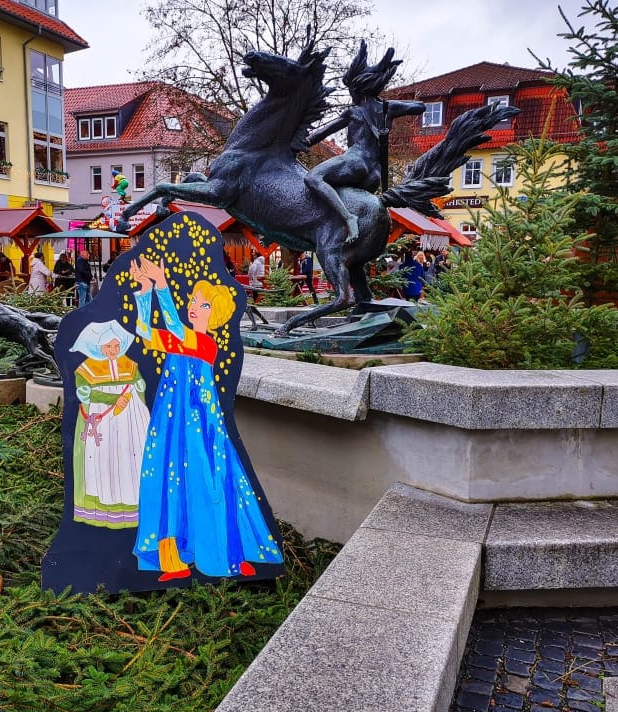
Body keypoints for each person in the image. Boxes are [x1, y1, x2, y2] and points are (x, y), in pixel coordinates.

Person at [128, 255, 283, 581]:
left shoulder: (204, 343)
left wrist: (162, 285)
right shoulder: (180, 339)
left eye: (205, 305)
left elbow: (173, 327)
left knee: (214, 480)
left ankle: (230, 552)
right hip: (171, 422)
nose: (195, 307)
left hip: (201, 423)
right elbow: (144, 332)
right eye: (195, 301)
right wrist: (144, 292)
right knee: (169, 484)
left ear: (216, 315)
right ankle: (173, 560)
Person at [303, 41, 424, 244]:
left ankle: (348, 218)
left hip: (356, 162)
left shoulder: (353, 112)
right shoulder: (387, 108)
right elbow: (419, 106)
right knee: (337, 193)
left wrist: (297, 143)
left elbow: (320, 134)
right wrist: (390, 107)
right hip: (373, 175)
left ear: (357, 89)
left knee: (313, 179)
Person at [69, 320, 150, 529]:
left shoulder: (130, 364)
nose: (113, 350)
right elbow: (84, 394)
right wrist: (111, 399)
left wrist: (133, 392)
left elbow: (140, 385)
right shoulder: (86, 368)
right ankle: (106, 503)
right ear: (99, 347)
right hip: (103, 420)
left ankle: (133, 502)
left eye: (116, 346)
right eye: (108, 346)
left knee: (129, 459)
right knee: (106, 461)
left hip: (129, 420)